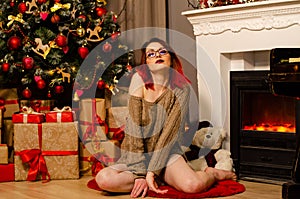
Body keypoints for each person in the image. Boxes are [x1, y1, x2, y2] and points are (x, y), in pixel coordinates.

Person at [96, 38, 236, 198]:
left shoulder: (181, 88)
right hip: (138, 155)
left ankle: (213, 174)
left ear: (171, 58)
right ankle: (157, 180)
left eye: (162, 51)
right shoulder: (138, 81)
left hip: (167, 152)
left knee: (193, 185)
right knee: (104, 179)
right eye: (151, 54)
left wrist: (153, 170)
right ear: (146, 62)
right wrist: (141, 174)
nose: (157, 55)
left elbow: (170, 134)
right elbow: (134, 130)